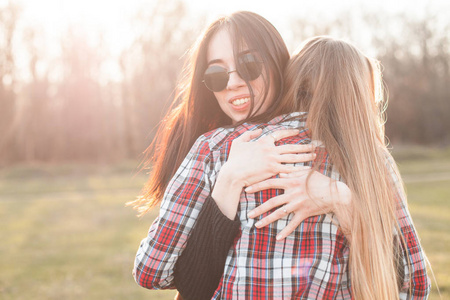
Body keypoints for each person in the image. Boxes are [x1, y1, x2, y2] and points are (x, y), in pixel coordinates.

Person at [133, 35, 430, 299]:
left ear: (290, 79)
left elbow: (151, 270)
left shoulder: (217, 147)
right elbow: (414, 287)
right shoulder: (373, 162)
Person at [130, 11, 352, 299]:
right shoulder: (344, 146)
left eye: (248, 64)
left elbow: (151, 270)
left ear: (278, 63)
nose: (233, 82)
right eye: (217, 74)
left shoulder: (212, 149)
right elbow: (409, 282)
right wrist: (230, 179)